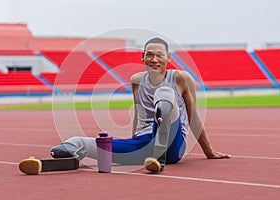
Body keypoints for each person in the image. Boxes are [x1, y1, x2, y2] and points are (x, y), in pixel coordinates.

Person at [19, 37, 230, 175]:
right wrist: (133, 140)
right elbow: (139, 114)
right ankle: (59, 160)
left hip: (173, 146)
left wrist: (209, 151)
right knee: (78, 142)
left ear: (168, 58)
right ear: (142, 57)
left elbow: (193, 117)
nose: (154, 59)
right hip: (144, 143)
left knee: (165, 95)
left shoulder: (181, 78)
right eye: (149, 54)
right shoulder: (137, 79)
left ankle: (159, 158)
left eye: (159, 54)